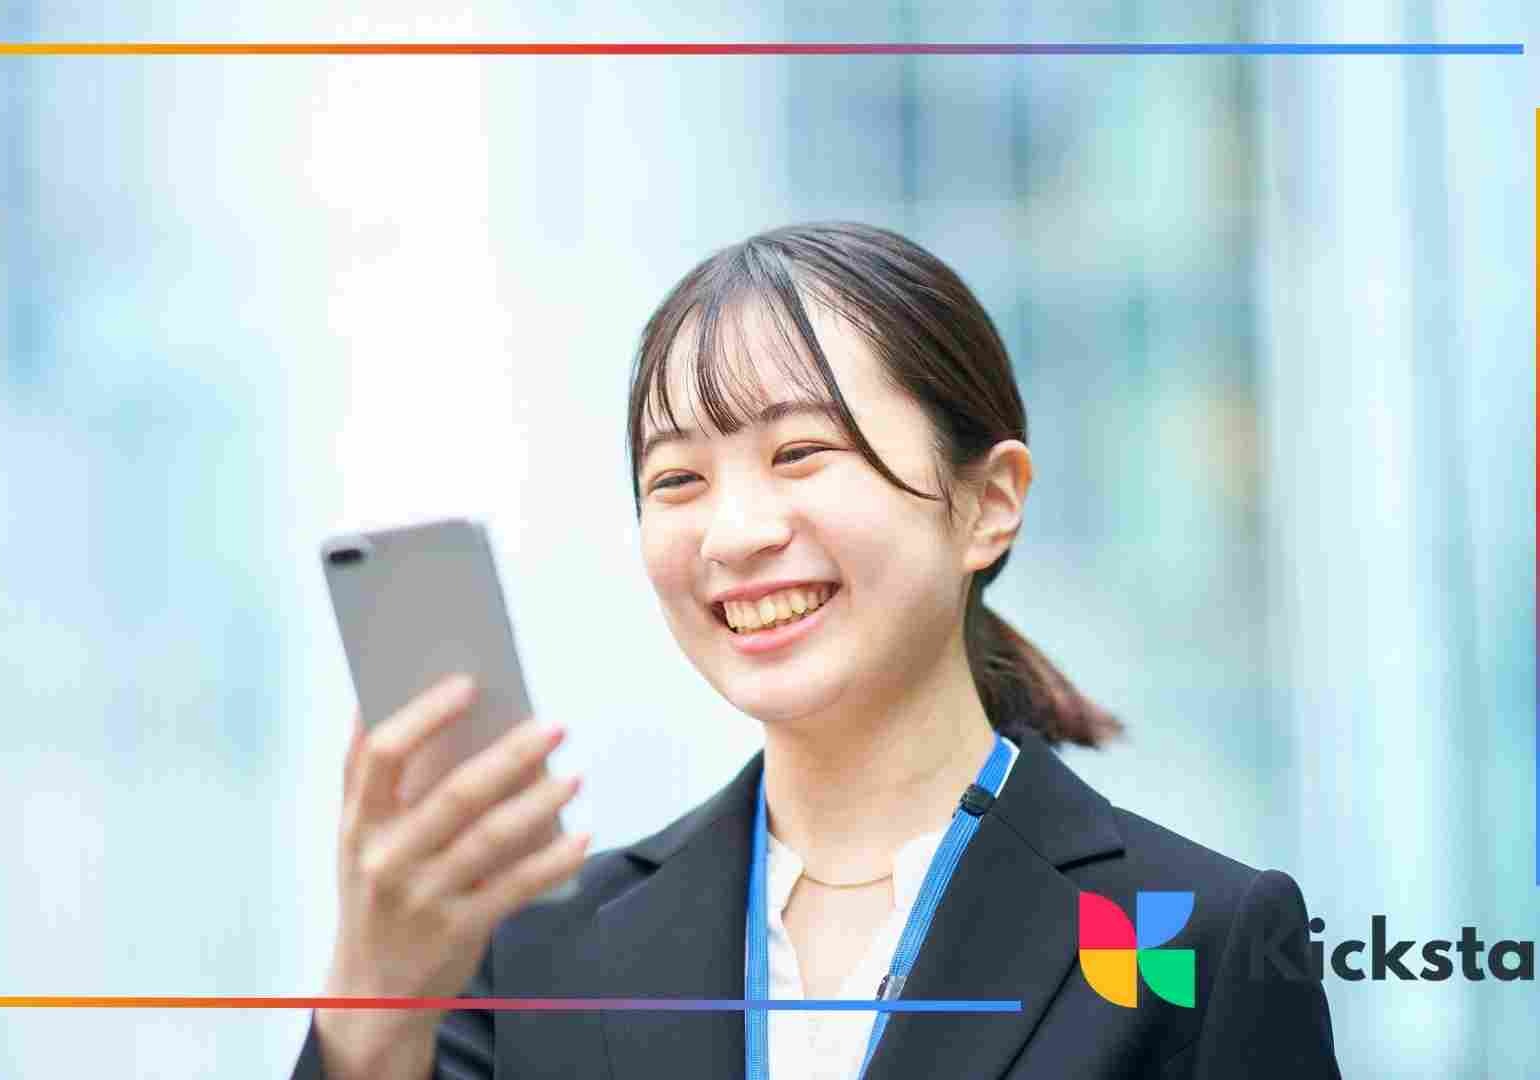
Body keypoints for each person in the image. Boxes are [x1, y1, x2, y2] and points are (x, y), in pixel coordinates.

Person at [293, 223, 1341, 1079]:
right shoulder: (542, 956)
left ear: (989, 503)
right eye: (676, 481)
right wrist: (371, 1008)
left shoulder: (1195, 937)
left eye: (799, 453)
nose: (735, 533)